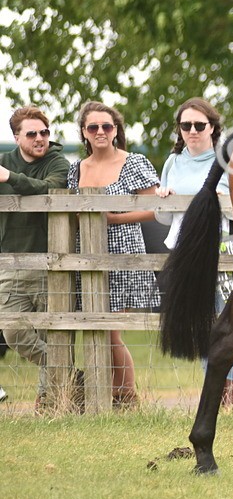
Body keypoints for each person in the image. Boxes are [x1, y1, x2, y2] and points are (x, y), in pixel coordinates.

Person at [155, 97, 233, 407]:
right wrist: (164, 198)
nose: (192, 131)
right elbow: (162, 218)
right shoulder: (173, 162)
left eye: (199, 125)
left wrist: (223, 198)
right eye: (186, 125)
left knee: (232, 323)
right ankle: (215, 398)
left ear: (212, 127)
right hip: (183, 251)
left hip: (218, 248)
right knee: (201, 322)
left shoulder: (227, 161)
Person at [69, 101, 160, 408]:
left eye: (106, 126)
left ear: (116, 130)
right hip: (86, 254)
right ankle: (105, 395)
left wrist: (115, 218)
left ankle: (126, 396)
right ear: (84, 132)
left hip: (123, 252)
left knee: (110, 331)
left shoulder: (133, 162)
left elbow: (156, 209)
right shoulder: (76, 169)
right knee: (96, 328)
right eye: (93, 127)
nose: (100, 131)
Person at [0, 106, 79, 411]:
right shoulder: (4, 161)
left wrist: (9, 178)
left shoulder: (57, 162)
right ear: (16, 137)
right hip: (10, 263)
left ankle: (50, 403)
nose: (40, 138)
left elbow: (49, 189)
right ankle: (69, 373)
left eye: (44, 132)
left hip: (52, 263)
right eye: (31, 133)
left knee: (54, 333)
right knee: (13, 331)